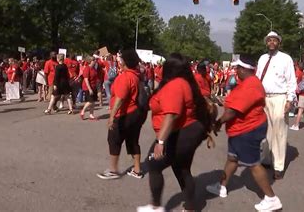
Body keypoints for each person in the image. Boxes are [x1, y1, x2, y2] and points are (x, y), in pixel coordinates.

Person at [206, 55, 282, 211]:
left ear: (243, 69)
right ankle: (222, 186)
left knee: (253, 164)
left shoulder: (251, 85)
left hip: (248, 129)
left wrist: (218, 122)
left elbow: (233, 112)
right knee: (232, 158)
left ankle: (271, 198)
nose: (235, 71)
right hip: (240, 129)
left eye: (237, 68)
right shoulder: (247, 83)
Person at [137, 53, 211, 212]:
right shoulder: (183, 83)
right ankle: (191, 207)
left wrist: (160, 142)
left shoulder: (176, 85)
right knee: (182, 168)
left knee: (154, 165)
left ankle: (155, 207)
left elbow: (172, 115)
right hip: (188, 131)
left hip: (180, 132)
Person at [97, 50, 147, 180]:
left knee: (114, 140)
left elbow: (120, 99)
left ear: (125, 61)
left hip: (125, 114)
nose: (119, 61)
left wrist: (112, 116)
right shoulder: (136, 75)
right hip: (136, 113)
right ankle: (137, 170)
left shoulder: (125, 77)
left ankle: (113, 170)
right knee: (133, 141)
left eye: (121, 59)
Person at [256, 31, 296, 180]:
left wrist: (290, 100)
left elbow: (291, 80)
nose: (271, 42)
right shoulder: (262, 59)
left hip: (280, 97)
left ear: (279, 42)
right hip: (264, 98)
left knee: (279, 131)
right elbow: (257, 78)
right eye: (269, 40)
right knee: (265, 130)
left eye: (274, 40)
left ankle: (278, 166)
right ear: (266, 43)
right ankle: (266, 159)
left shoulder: (285, 59)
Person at [80, 56, 99, 120]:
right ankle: (83, 111)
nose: (95, 61)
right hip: (87, 87)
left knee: (93, 101)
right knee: (90, 101)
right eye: (94, 60)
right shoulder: (87, 68)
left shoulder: (93, 68)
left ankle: (91, 114)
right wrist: (89, 89)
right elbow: (86, 79)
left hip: (94, 86)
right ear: (90, 61)